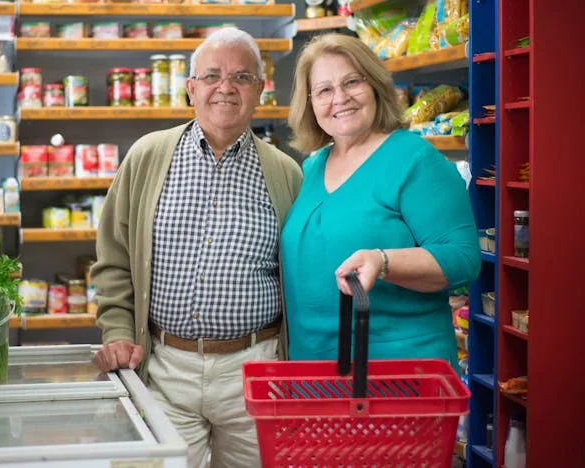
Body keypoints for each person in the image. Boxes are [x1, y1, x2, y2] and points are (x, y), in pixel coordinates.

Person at [90, 27, 302, 467]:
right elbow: (113, 261)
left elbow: (301, 276)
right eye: (211, 76)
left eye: (242, 77)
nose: (226, 87)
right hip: (164, 367)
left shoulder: (286, 174)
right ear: (191, 89)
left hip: (255, 370)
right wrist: (117, 331)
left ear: (260, 90)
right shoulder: (147, 157)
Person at [282, 33, 480, 367]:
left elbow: (463, 259)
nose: (340, 98)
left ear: (374, 86)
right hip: (314, 369)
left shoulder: (414, 160)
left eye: (352, 82)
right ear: (310, 103)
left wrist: (383, 261)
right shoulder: (314, 166)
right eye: (324, 90)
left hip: (396, 374)